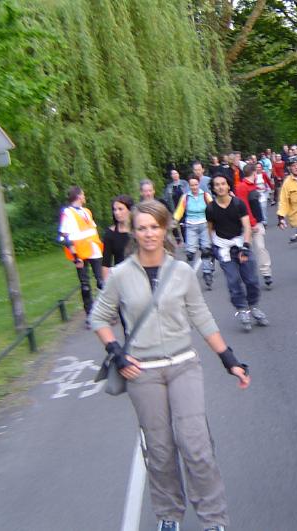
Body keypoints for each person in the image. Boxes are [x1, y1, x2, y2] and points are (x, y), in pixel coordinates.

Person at [90, 200, 249, 531]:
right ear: (134, 232)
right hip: (142, 372)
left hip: (183, 365)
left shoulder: (182, 272)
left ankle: (213, 518)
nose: (149, 234)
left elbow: (201, 316)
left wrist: (228, 359)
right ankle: (168, 515)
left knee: (196, 445)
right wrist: (117, 352)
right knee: (159, 449)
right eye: (142, 228)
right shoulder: (121, 275)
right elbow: (99, 317)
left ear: (165, 229)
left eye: (155, 227)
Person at [206, 175, 270, 331]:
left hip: (241, 243)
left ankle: (254, 306)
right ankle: (242, 309)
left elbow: (247, 226)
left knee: (251, 280)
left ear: (228, 186)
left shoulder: (238, 204)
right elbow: (210, 229)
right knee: (233, 280)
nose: (220, 187)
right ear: (213, 188)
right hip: (223, 247)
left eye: (223, 184)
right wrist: (212, 248)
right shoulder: (211, 209)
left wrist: (246, 247)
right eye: (217, 185)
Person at [58, 186, 104, 323]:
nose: (84, 197)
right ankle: (90, 314)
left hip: (94, 249)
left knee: (101, 281)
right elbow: (65, 236)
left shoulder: (87, 211)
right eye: (83, 195)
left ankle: (106, 310)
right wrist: (76, 257)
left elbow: (92, 230)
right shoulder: (68, 213)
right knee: (85, 284)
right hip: (80, 253)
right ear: (78, 196)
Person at [173, 175, 216, 289]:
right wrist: (174, 221)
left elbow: (213, 208)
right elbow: (179, 211)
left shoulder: (205, 196)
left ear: (199, 184)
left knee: (206, 250)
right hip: (191, 226)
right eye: (192, 185)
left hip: (204, 225)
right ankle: (189, 274)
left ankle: (207, 273)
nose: (194, 187)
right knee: (190, 253)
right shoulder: (185, 197)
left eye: (196, 184)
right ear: (189, 186)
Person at [235, 165, 274, 289]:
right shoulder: (242, 187)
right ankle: (247, 276)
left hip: (257, 222)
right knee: (247, 250)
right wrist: (251, 223)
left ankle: (266, 273)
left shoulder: (252, 186)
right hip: (249, 224)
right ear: (254, 173)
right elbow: (244, 206)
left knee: (261, 248)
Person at [102, 194, 134, 282]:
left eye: (120, 209)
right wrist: (106, 285)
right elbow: (106, 263)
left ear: (129, 210)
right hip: (120, 278)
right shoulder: (110, 233)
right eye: (114, 209)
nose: (116, 212)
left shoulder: (138, 231)